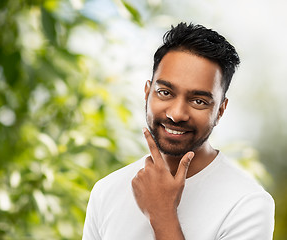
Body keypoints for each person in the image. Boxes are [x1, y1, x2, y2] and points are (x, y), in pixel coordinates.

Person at [82, 22, 275, 240]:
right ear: (147, 93)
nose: (177, 113)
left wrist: (162, 214)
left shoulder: (248, 204)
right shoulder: (106, 191)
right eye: (165, 92)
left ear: (220, 110)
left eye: (198, 101)